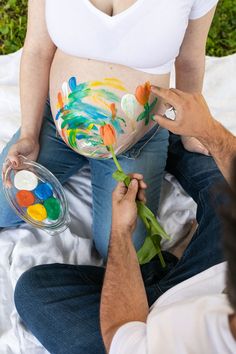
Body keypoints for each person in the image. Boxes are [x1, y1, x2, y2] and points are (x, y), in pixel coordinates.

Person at [14, 88, 235, 353]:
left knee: (34, 292)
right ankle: (163, 130)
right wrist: (207, 130)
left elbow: (122, 329)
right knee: (218, 175)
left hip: (148, 325)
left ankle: (160, 275)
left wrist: (121, 230)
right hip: (215, 272)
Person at [0, 0, 219, 259]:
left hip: (136, 143)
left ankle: (169, 147)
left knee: (125, 252)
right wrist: (29, 133)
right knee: (4, 205)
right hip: (54, 128)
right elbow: (37, 49)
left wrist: (189, 133)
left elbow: (190, 60)